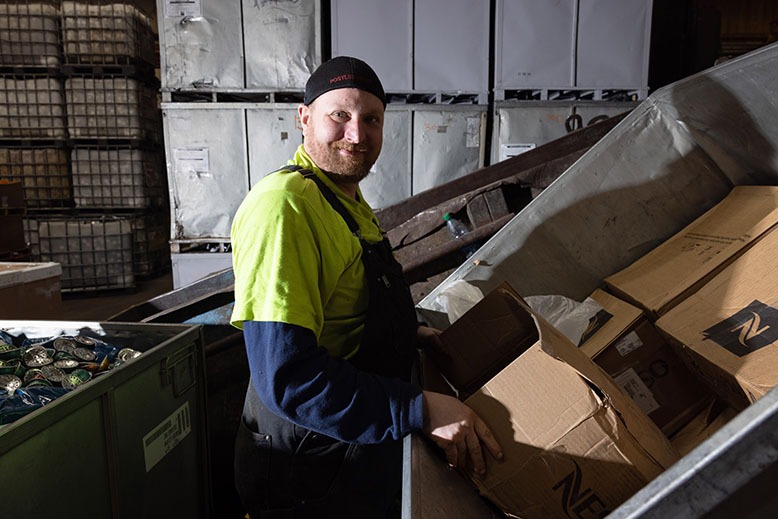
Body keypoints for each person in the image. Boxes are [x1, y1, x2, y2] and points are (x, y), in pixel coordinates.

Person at [230, 55, 503, 518]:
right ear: (304, 117)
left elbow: (347, 303)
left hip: (353, 444)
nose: (356, 135)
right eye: (340, 115)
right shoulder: (285, 209)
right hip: (309, 465)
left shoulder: (344, 200)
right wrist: (419, 409)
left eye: (371, 119)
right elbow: (289, 379)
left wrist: (414, 334)